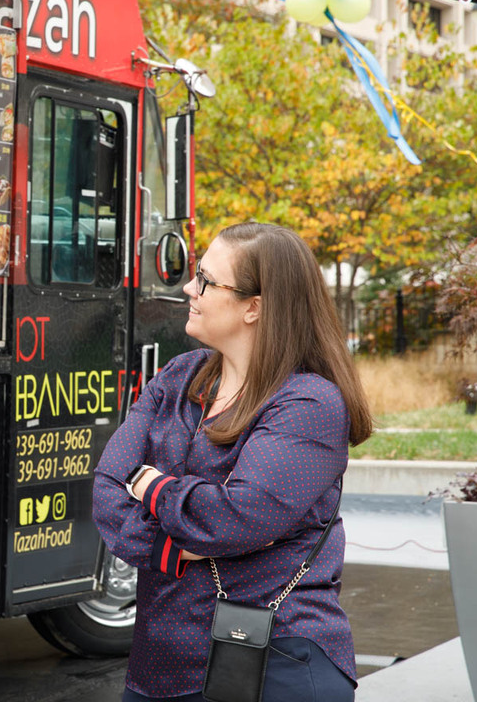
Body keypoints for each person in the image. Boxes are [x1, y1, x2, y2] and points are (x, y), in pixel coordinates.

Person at [92, 221, 372, 702]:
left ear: (253, 307)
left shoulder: (310, 403)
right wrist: (178, 546)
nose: (188, 288)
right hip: (159, 665)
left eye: (205, 280)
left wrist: (152, 486)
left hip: (274, 659)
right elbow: (108, 490)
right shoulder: (180, 377)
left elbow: (236, 517)